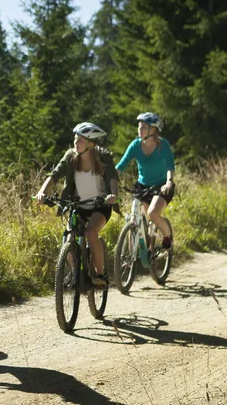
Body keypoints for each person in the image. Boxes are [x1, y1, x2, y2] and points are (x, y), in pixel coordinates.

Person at [36, 122, 119, 287]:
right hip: (77, 205)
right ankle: (76, 273)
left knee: (90, 232)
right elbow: (54, 175)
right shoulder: (70, 156)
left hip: (100, 205)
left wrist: (113, 195)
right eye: (75, 139)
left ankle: (100, 275)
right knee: (68, 235)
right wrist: (42, 192)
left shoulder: (103, 157)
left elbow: (112, 178)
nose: (76, 143)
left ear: (91, 144)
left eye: (80, 140)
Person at [114, 112, 176, 249]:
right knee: (134, 218)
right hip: (142, 186)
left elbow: (170, 167)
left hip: (161, 186)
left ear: (153, 129)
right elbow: (121, 165)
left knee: (153, 213)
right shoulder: (135, 145)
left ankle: (167, 236)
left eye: (143, 127)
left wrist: (169, 182)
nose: (139, 130)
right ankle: (130, 256)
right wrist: (110, 178)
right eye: (138, 127)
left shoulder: (163, 145)